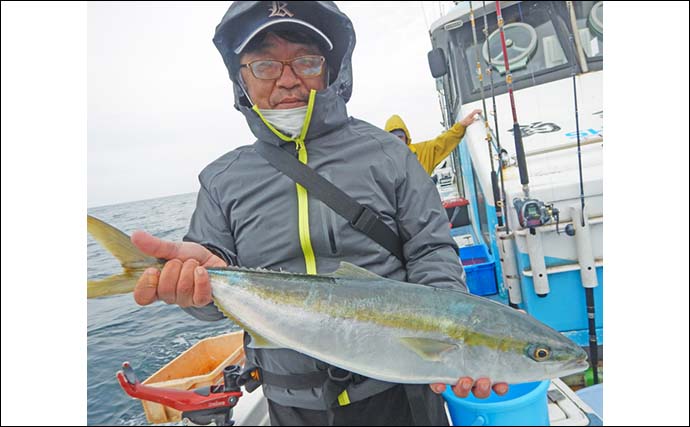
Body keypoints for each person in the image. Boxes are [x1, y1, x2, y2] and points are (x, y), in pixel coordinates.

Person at [131, 2, 508, 425]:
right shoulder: (222, 178)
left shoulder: (389, 154)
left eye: (306, 61)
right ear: (240, 77)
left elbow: (431, 252)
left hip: (399, 392)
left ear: (332, 70)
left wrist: (458, 337)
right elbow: (211, 295)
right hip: (291, 404)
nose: (288, 79)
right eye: (265, 65)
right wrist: (192, 286)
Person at [384, 109, 482, 175]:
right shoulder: (383, 162)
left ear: (406, 137)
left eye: (400, 136)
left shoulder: (422, 152)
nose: (397, 140)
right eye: (393, 137)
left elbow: (444, 141)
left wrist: (462, 125)